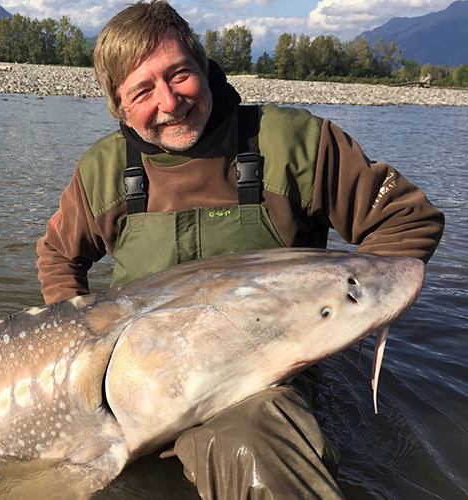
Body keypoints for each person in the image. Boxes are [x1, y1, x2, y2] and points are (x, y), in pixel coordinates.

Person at [36, 1, 445, 498]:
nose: (169, 101)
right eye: (142, 91)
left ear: (204, 69)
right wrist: (73, 347)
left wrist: (356, 302)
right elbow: (59, 256)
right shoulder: (103, 169)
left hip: (257, 386)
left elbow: (407, 216)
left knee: (250, 446)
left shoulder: (291, 141)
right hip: (139, 384)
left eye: (179, 75)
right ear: (118, 106)